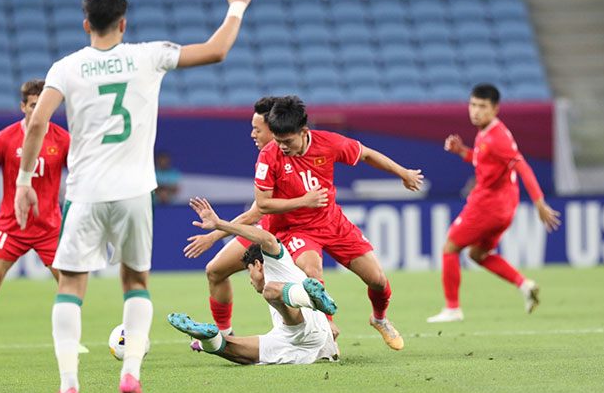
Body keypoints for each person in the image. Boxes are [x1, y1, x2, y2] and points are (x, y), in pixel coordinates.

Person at [13, 0, 258, 393]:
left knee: (70, 285)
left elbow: (36, 124)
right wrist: (236, 4)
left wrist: (25, 180)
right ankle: (131, 377)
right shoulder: (149, 56)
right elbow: (218, 49)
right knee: (136, 284)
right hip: (133, 194)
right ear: (123, 23)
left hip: (85, 194)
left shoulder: (65, 68)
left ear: (86, 24)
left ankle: (69, 387)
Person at [253, 96, 424, 351]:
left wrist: (403, 173)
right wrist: (303, 201)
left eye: (287, 141)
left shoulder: (329, 143)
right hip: (295, 229)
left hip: (333, 223)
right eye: (278, 141)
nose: (282, 147)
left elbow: (366, 154)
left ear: (304, 132)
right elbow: (263, 204)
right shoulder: (269, 156)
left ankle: (379, 319)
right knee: (312, 272)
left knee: (377, 280)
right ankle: (327, 326)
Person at [0, 80, 89, 357]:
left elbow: (80, 177)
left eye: (43, 106)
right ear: (23, 106)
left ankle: (70, 341)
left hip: (50, 227)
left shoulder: (63, 140)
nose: (38, 111)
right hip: (11, 226)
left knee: (68, 282)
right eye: (33, 106)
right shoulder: (4, 138)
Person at [427, 83, 561, 323]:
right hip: (505, 207)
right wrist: (462, 151)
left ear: (495, 109)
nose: (475, 111)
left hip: (488, 205)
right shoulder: (486, 132)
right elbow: (484, 162)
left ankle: (452, 308)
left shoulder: (498, 137)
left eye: (482, 106)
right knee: (478, 254)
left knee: (450, 248)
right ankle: (524, 285)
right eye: (472, 104)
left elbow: (522, 166)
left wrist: (539, 202)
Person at [168, 197, 339, 365]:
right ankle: (210, 338)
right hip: (292, 340)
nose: (250, 281)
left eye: (249, 272)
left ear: (257, 265)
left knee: (270, 291)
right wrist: (206, 343)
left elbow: (267, 239)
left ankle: (311, 300)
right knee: (233, 351)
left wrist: (219, 224)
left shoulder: (277, 262)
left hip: (310, 328)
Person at [182, 96, 279, 336]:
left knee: (282, 284)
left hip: (291, 233)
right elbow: (257, 213)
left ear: (273, 128)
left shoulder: (284, 153)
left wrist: (214, 236)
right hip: (266, 230)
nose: (252, 135)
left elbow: (255, 212)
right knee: (215, 270)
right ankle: (225, 336)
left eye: (257, 129)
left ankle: (318, 331)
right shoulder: (266, 156)